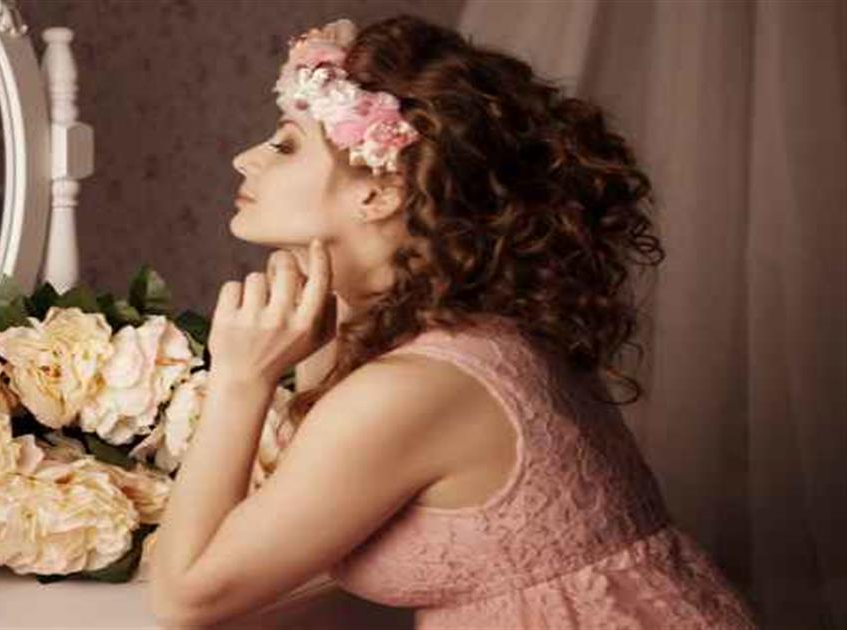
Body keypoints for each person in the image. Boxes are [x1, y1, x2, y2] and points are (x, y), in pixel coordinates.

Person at [146, 14, 758, 629]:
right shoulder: (460, 333)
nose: (244, 159)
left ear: (379, 192)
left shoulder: (414, 387)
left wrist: (240, 379)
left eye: (285, 144)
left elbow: (186, 599)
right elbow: (288, 519)